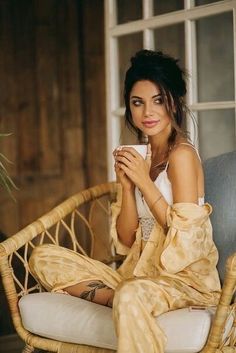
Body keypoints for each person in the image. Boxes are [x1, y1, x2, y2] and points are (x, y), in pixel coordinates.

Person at [29, 49, 221, 353]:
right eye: (137, 102)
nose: (148, 112)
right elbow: (126, 239)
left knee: (131, 293)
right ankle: (114, 296)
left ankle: (122, 297)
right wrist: (128, 188)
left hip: (185, 282)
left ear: (175, 101)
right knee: (42, 257)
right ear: (129, 107)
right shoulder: (142, 155)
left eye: (158, 100)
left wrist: (145, 183)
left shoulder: (182, 156)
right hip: (137, 276)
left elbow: (187, 247)